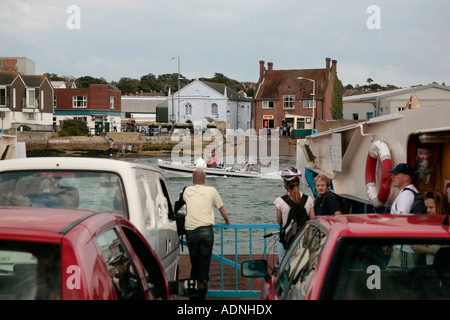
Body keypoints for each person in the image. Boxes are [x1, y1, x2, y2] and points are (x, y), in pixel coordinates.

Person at [183, 170, 230, 299]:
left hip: (190, 232)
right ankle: (200, 297)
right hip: (206, 232)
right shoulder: (211, 191)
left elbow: (180, 207)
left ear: (193, 181)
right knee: (203, 266)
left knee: (195, 264)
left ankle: (193, 295)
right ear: (205, 181)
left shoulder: (186, 190)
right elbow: (222, 209)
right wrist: (227, 221)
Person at [274, 167, 314, 262]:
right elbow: (313, 220)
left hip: (287, 240)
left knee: (284, 266)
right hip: (304, 239)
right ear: (299, 183)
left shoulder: (280, 201)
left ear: (285, 183)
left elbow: (280, 223)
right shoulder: (309, 199)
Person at [411, 189, 450, 264]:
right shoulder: (431, 221)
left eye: (431, 207)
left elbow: (446, 251)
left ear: (440, 205)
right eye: (426, 207)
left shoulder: (447, 224)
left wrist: (422, 249)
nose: (428, 210)